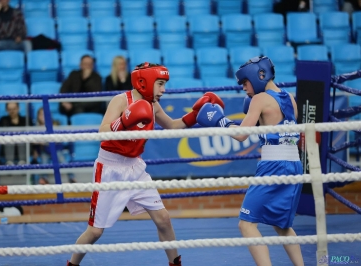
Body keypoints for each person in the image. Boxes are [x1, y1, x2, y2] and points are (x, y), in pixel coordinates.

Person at [67, 62, 225, 266]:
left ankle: (175, 263)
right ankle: (72, 264)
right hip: (110, 168)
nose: (163, 90)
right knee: (95, 231)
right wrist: (123, 120)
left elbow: (173, 126)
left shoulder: (152, 104)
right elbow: (102, 131)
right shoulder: (121, 100)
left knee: (163, 219)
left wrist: (195, 115)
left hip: (135, 168)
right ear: (145, 82)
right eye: (160, 84)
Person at [195, 56, 304, 266]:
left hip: (273, 167)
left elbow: (241, 135)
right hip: (294, 165)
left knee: (246, 225)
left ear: (259, 75)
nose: (244, 88)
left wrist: (221, 121)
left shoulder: (260, 100)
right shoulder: (290, 98)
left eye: (245, 83)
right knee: (282, 225)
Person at [32, 107, 75, 184]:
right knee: (44, 161)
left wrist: (44, 141)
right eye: (41, 114)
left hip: (56, 149)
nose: (43, 116)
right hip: (44, 150)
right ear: (38, 116)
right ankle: (44, 179)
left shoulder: (55, 124)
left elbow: (58, 139)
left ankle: (71, 177)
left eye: (45, 114)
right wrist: (37, 148)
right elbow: (35, 142)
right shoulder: (37, 128)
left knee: (63, 160)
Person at [59, 55, 104, 121]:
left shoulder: (97, 77)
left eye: (90, 64)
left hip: (90, 105)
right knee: (65, 108)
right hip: (73, 104)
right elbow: (64, 88)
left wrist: (86, 79)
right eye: (85, 64)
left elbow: (95, 96)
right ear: (80, 65)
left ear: (93, 66)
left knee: (79, 109)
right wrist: (64, 101)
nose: (87, 66)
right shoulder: (74, 74)